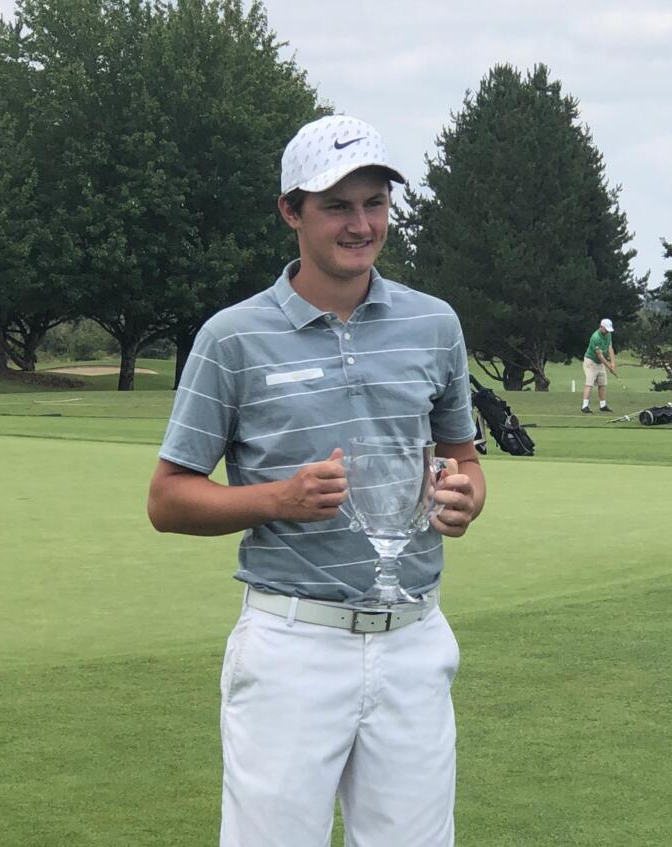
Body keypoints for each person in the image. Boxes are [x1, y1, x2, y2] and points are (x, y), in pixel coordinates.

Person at [147, 114, 485, 847]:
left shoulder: (435, 325)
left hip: (413, 637)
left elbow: (464, 459)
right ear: (290, 211)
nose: (360, 224)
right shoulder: (231, 337)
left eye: (375, 203)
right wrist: (277, 500)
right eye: (336, 205)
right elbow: (168, 497)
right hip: (294, 641)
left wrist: (464, 498)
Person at [581, 317, 616, 413]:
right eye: (606, 329)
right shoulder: (595, 337)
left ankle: (603, 405)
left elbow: (610, 348)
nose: (608, 331)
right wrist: (609, 367)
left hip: (600, 363)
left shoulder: (608, 334)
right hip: (591, 362)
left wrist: (613, 363)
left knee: (602, 384)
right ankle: (584, 406)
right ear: (601, 327)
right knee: (589, 384)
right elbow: (600, 356)